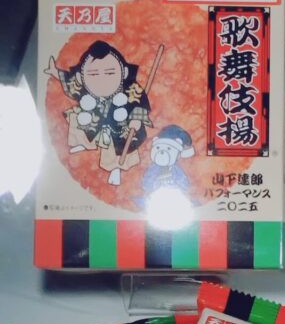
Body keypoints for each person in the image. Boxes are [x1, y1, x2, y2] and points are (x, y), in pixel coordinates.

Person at [44, 40, 153, 186]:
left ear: (124, 72)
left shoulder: (131, 90)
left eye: (110, 72)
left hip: (119, 127)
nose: (102, 79)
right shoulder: (84, 89)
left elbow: (140, 104)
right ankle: (83, 142)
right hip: (95, 121)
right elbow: (70, 81)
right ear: (81, 77)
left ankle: (115, 168)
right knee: (76, 116)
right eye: (93, 74)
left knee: (117, 144)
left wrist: (136, 119)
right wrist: (55, 72)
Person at [139, 125, 195, 207]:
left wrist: (179, 186)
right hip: (155, 194)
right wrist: (150, 187)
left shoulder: (176, 169)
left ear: (177, 154)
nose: (162, 153)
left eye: (169, 149)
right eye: (158, 148)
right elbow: (148, 179)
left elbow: (183, 181)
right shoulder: (153, 168)